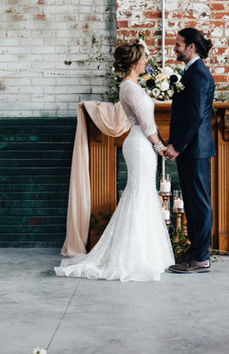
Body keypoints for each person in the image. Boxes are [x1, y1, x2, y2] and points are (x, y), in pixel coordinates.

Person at [55, 42, 174, 282]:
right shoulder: (129, 87)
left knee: (142, 193)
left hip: (142, 145)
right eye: (142, 59)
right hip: (140, 145)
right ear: (133, 63)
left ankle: (146, 253)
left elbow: (149, 113)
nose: (145, 63)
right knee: (139, 193)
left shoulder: (135, 86)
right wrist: (161, 147)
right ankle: (132, 256)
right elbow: (146, 123)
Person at [164, 28, 215, 274]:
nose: (175, 48)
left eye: (178, 44)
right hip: (190, 150)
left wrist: (177, 146)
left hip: (194, 149)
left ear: (191, 47)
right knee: (193, 204)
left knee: (199, 204)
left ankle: (201, 258)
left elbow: (195, 115)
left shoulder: (198, 75)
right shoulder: (191, 72)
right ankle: (195, 253)